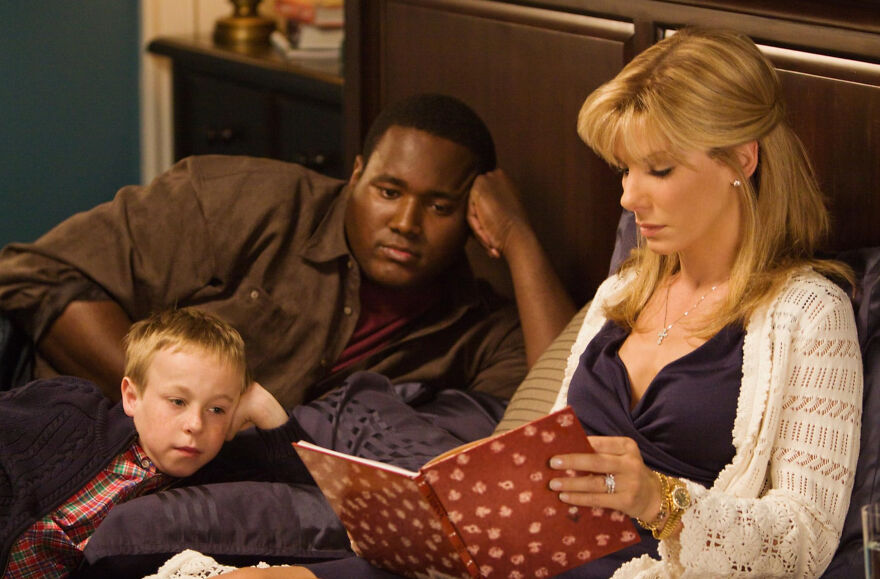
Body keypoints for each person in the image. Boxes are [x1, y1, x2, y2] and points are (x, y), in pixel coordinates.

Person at [199, 27, 863, 579]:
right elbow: (525, 488)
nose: (630, 197)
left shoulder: (808, 314)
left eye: (658, 169)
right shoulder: (619, 294)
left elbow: (805, 540)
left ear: (740, 159)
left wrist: (661, 500)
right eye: (623, 170)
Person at [0, 93, 574, 407]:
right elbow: (33, 275)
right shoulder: (241, 200)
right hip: (79, 422)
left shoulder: (479, 328)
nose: (406, 223)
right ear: (355, 176)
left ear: (474, 218)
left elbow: (565, 416)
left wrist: (521, 240)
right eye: (388, 191)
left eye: (440, 207)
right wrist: (181, 404)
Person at [0, 307, 294, 578]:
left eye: (217, 409)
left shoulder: (221, 479)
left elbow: (306, 501)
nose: (195, 425)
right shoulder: (71, 411)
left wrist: (267, 409)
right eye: (177, 401)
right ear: (132, 396)